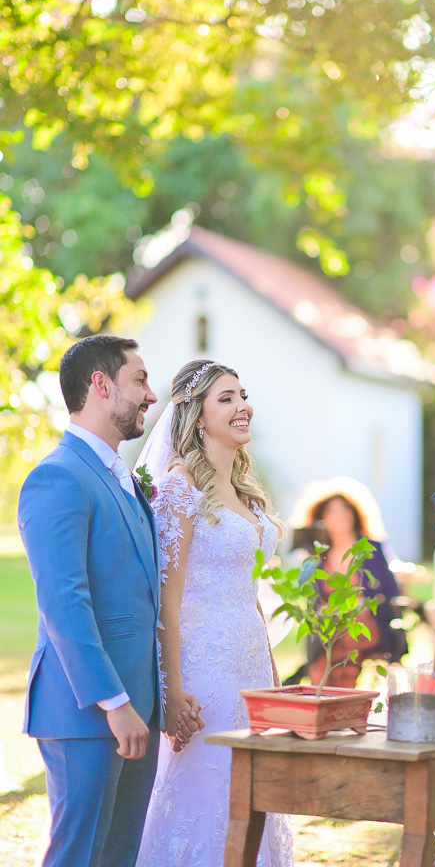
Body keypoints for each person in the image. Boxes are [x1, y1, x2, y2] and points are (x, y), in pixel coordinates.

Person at [18, 335, 198, 867]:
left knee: (119, 856)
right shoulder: (58, 477)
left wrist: (153, 699)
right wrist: (114, 703)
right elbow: (64, 605)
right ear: (100, 385)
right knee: (78, 857)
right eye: (139, 380)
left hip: (134, 709)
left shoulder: (122, 479)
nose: (150, 395)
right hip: (86, 711)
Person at [135, 360, 293, 867]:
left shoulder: (244, 491)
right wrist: (172, 691)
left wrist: (270, 669)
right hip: (204, 668)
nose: (241, 406)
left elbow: (248, 596)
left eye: (242, 395)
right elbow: (168, 600)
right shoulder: (180, 488)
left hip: (251, 670)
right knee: (207, 793)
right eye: (225, 398)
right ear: (197, 416)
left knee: (255, 793)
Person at [290, 477, 407, 688]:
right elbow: (312, 604)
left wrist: (360, 605)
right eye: (331, 510)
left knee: (342, 646)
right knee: (329, 648)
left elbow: (390, 594)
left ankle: (332, 695)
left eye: (344, 508)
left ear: (355, 513)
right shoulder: (317, 557)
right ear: (321, 517)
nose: (339, 515)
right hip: (330, 629)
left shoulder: (371, 549)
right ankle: (331, 696)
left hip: (368, 625)